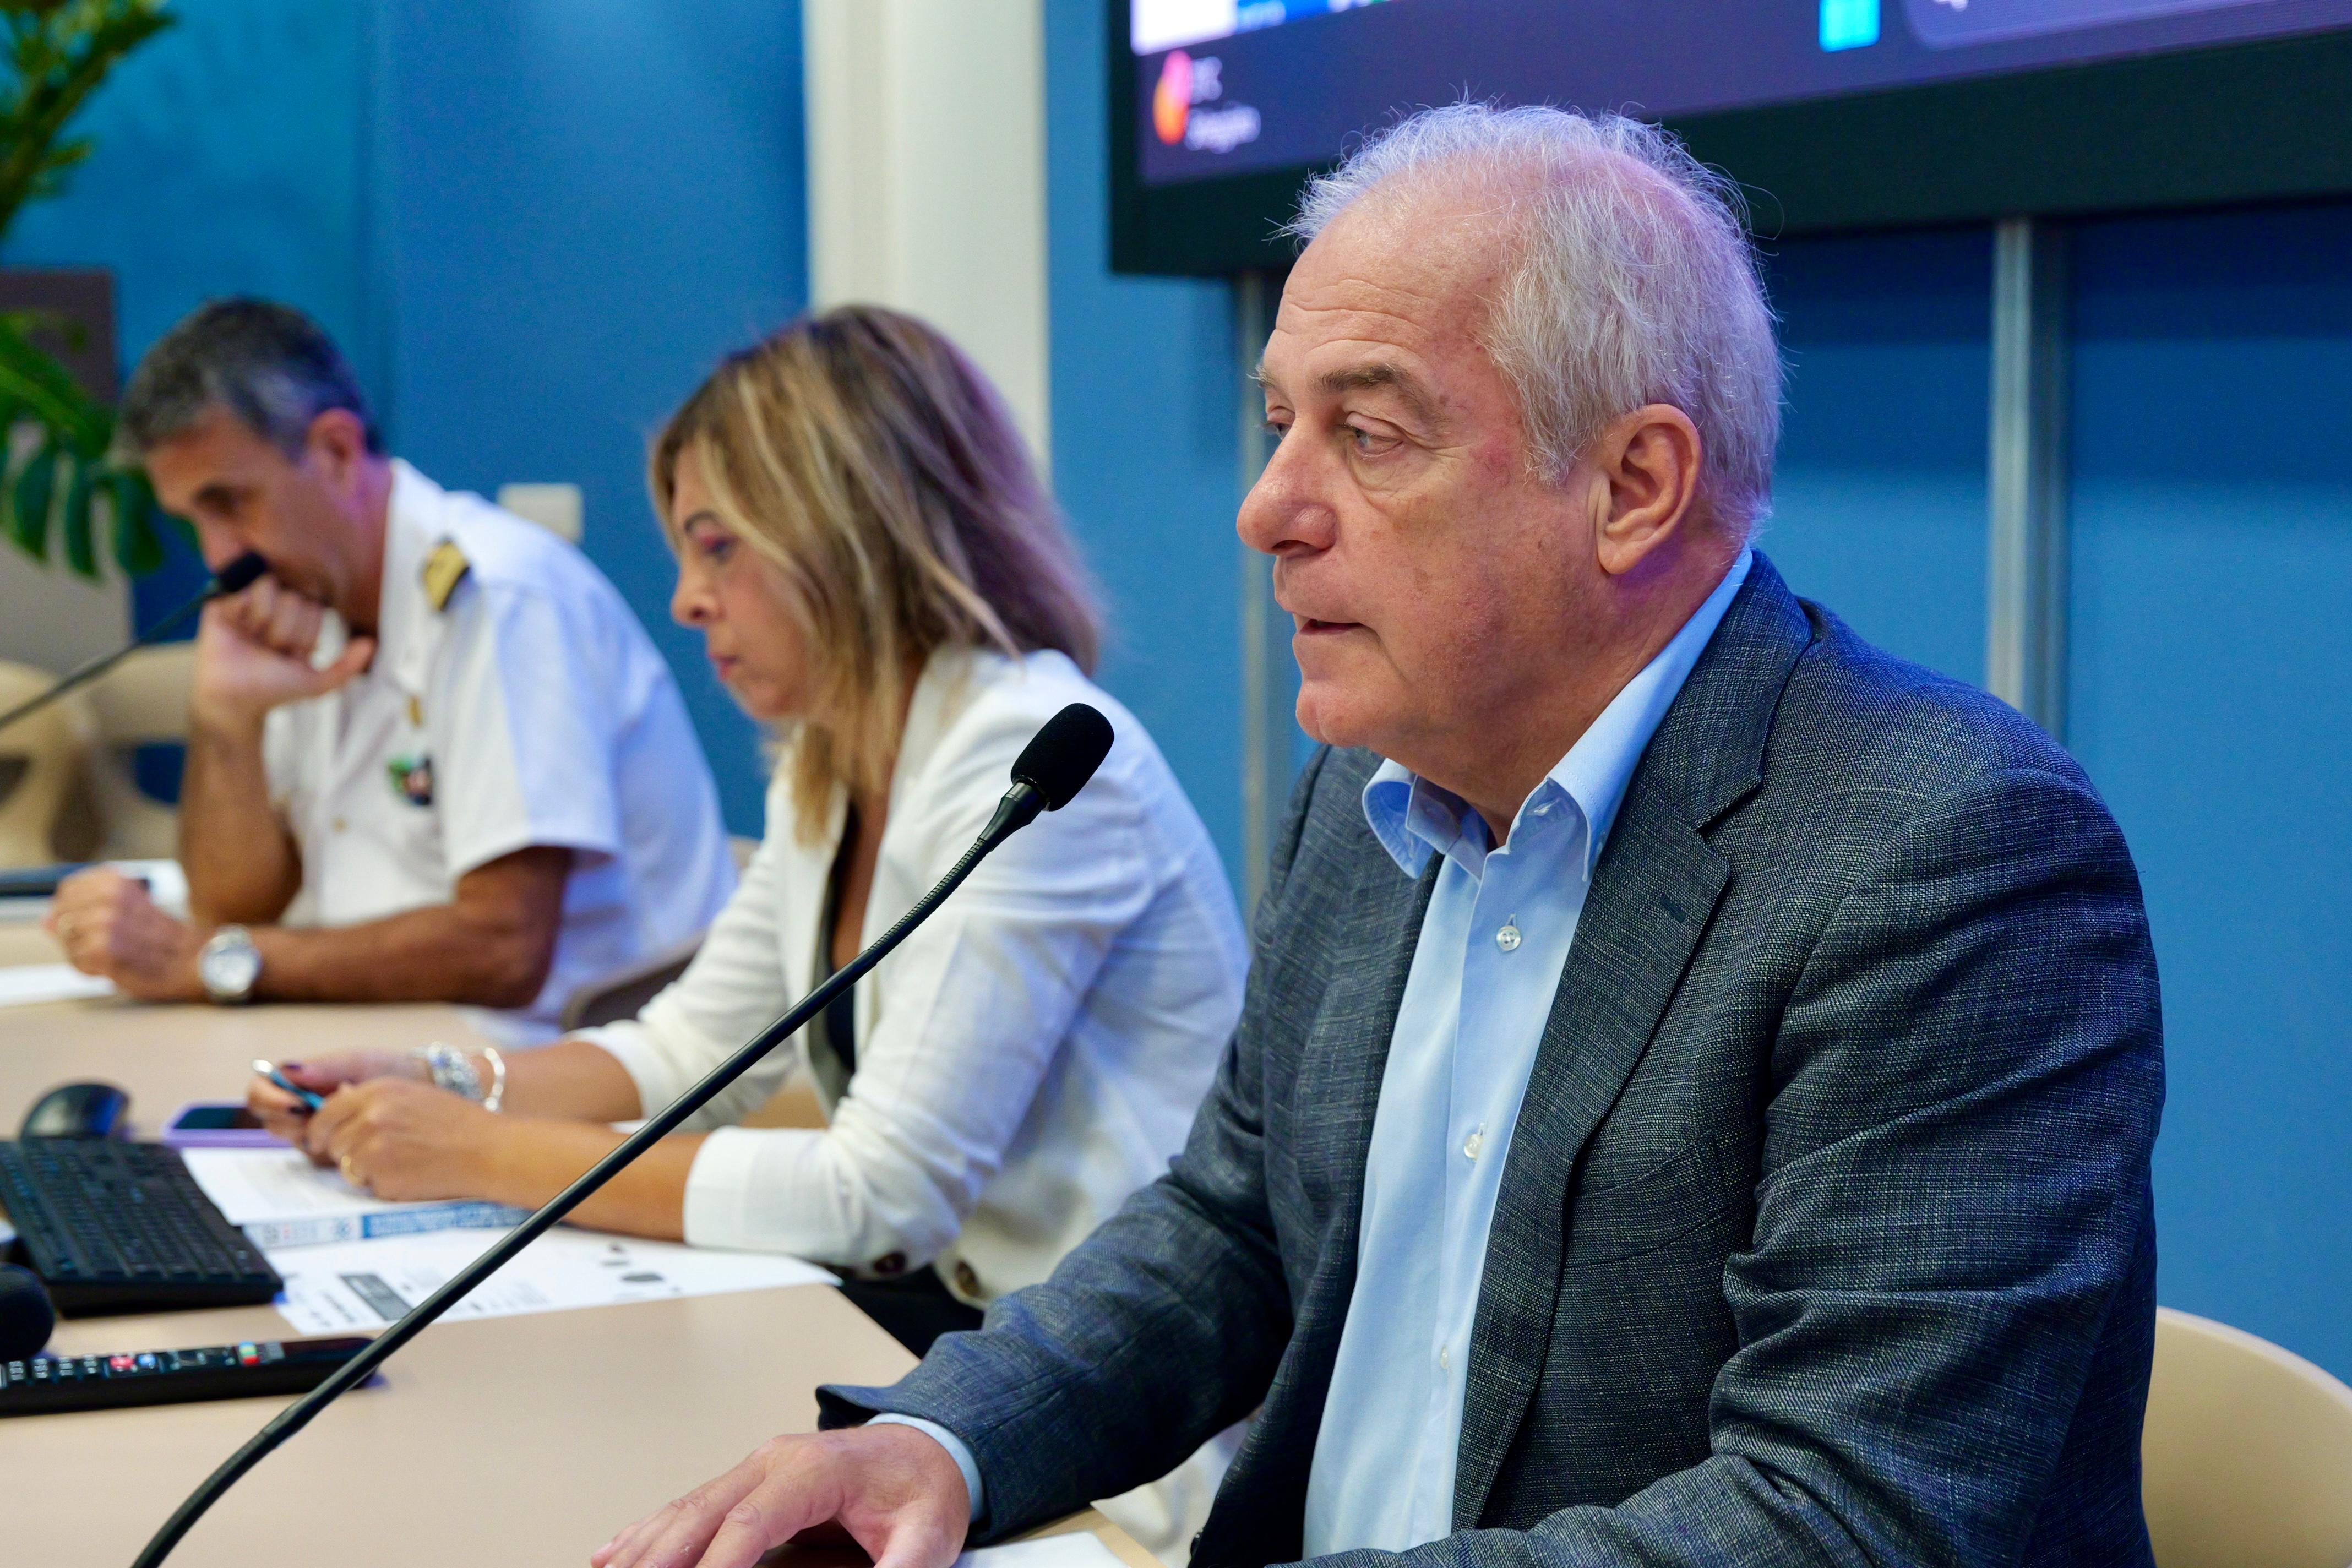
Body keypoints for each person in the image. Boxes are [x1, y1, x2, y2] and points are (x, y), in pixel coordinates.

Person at [592, 105, 2166, 1568]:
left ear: (1633, 485)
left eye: (1371, 432)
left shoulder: (1943, 855)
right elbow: (1232, 1229)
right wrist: (942, 1439)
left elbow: (1840, 1516)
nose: (1267, 507)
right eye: (1282, 420)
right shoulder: (1373, 793)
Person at [247, 306, 1248, 1364]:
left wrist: (481, 1153)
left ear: (854, 532)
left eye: (719, 549)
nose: (687, 602)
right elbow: (693, 1053)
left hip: (1110, 1386)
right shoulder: (838, 753)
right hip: (969, 1330)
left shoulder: (1024, 756)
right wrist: (428, 1081)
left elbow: (881, 1196)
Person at [46, 300, 736, 1044]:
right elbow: (234, 910)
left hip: (565, 1060)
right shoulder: (309, 599)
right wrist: (226, 718)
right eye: (194, 521)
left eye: (232, 505)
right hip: (392, 1040)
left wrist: (218, 963)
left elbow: (504, 949)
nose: (219, 558)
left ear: (337, 452)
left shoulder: (500, 597)